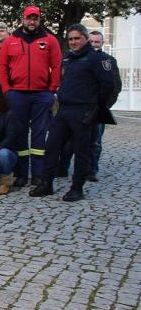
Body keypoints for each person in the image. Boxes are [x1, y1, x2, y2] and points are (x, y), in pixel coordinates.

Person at [30, 24, 115, 202]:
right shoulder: (68, 58)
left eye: (77, 38)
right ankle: (47, 183)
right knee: (52, 147)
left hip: (84, 111)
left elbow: (108, 86)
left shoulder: (97, 59)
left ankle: (77, 188)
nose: (73, 42)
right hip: (64, 110)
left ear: (85, 38)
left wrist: (96, 109)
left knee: (81, 151)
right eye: (70, 39)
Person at [0, 5, 61, 187]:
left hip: (41, 94)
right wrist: (7, 90)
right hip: (17, 94)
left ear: (39, 20)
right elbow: (2, 67)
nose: (32, 21)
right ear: (22, 19)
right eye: (29, 18)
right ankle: (22, 173)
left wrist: (52, 90)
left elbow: (56, 66)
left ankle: (38, 174)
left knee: (40, 135)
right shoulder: (11, 41)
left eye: (35, 18)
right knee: (19, 134)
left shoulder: (50, 40)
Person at [58, 30, 122, 181]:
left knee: (95, 142)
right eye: (91, 42)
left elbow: (114, 86)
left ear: (101, 44)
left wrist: (103, 105)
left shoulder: (108, 60)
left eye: (97, 42)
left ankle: (91, 170)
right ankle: (62, 167)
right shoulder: (71, 58)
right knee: (69, 141)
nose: (93, 45)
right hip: (77, 109)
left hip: (98, 109)